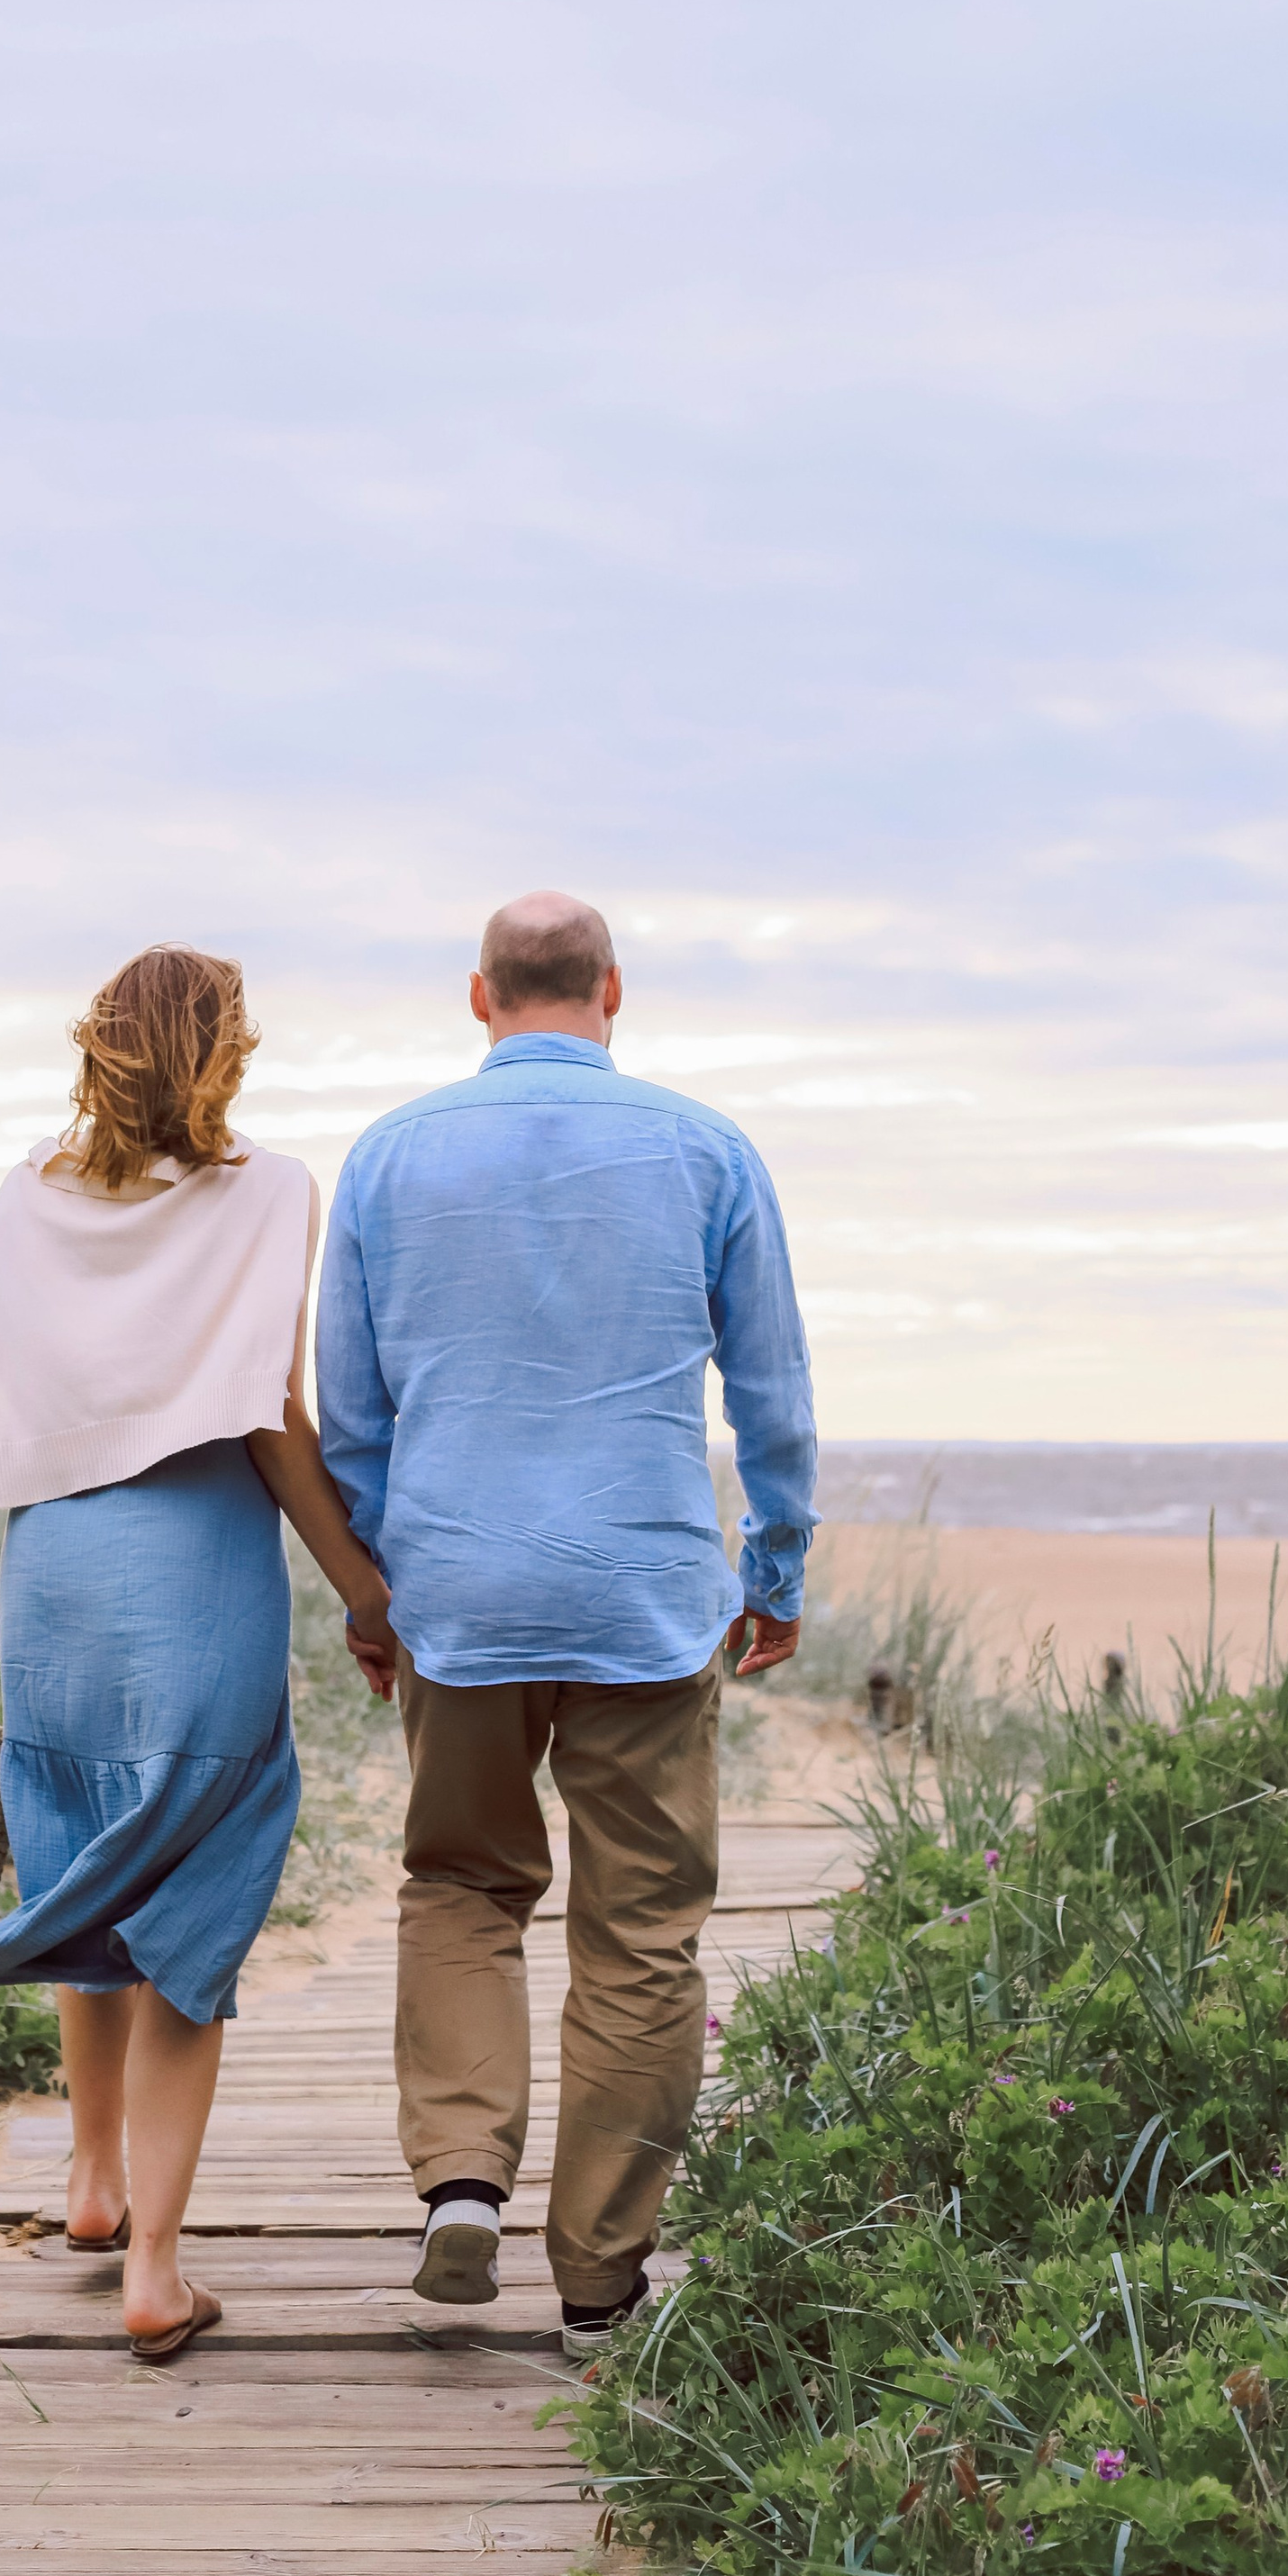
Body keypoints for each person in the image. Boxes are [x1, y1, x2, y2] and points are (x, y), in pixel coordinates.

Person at [0, 945, 402, 2363]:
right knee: (191, 1906)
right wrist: (362, 1591)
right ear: (223, 1054)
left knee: (90, 1854)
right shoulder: (270, 1191)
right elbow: (268, 1415)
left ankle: (91, 2187)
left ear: (102, 1050)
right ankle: (155, 2264)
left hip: (60, 1588)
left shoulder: (34, 1191)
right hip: (197, 1574)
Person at [315, 890, 816, 2358]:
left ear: (480, 996)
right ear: (613, 988)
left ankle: (462, 2179)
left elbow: (354, 1416)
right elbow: (773, 1395)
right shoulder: (708, 1150)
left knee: (463, 1884)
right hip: (647, 1597)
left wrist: (373, 1589)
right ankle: (599, 2283)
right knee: (641, 1933)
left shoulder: (389, 1159)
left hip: (457, 1590)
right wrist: (773, 1569)